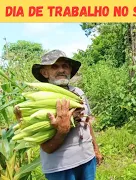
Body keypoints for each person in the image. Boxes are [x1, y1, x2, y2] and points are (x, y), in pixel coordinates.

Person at [14, 50, 102, 180]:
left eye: (65, 66)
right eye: (55, 66)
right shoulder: (38, 101)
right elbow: (47, 148)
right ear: (45, 73)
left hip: (87, 160)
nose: (61, 70)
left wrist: (96, 149)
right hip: (60, 168)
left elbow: (87, 122)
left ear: (70, 70)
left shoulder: (78, 93)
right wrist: (62, 131)